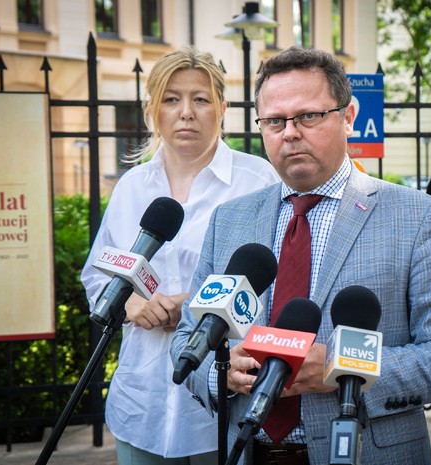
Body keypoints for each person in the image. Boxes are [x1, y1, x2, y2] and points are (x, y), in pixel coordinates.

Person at [170, 45, 431, 465]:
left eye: (309, 116)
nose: (290, 133)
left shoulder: (415, 217)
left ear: (348, 116)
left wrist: (342, 367)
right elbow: (186, 340)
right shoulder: (230, 220)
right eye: (275, 120)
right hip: (247, 453)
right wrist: (221, 372)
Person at [81, 46, 280, 465]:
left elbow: (280, 282)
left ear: (222, 108)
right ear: (152, 109)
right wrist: (130, 304)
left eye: (200, 99)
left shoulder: (258, 182)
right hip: (142, 403)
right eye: (171, 99)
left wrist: (193, 305)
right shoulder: (131, 187)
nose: (186, 112)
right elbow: (97, 276)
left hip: (220, 402)